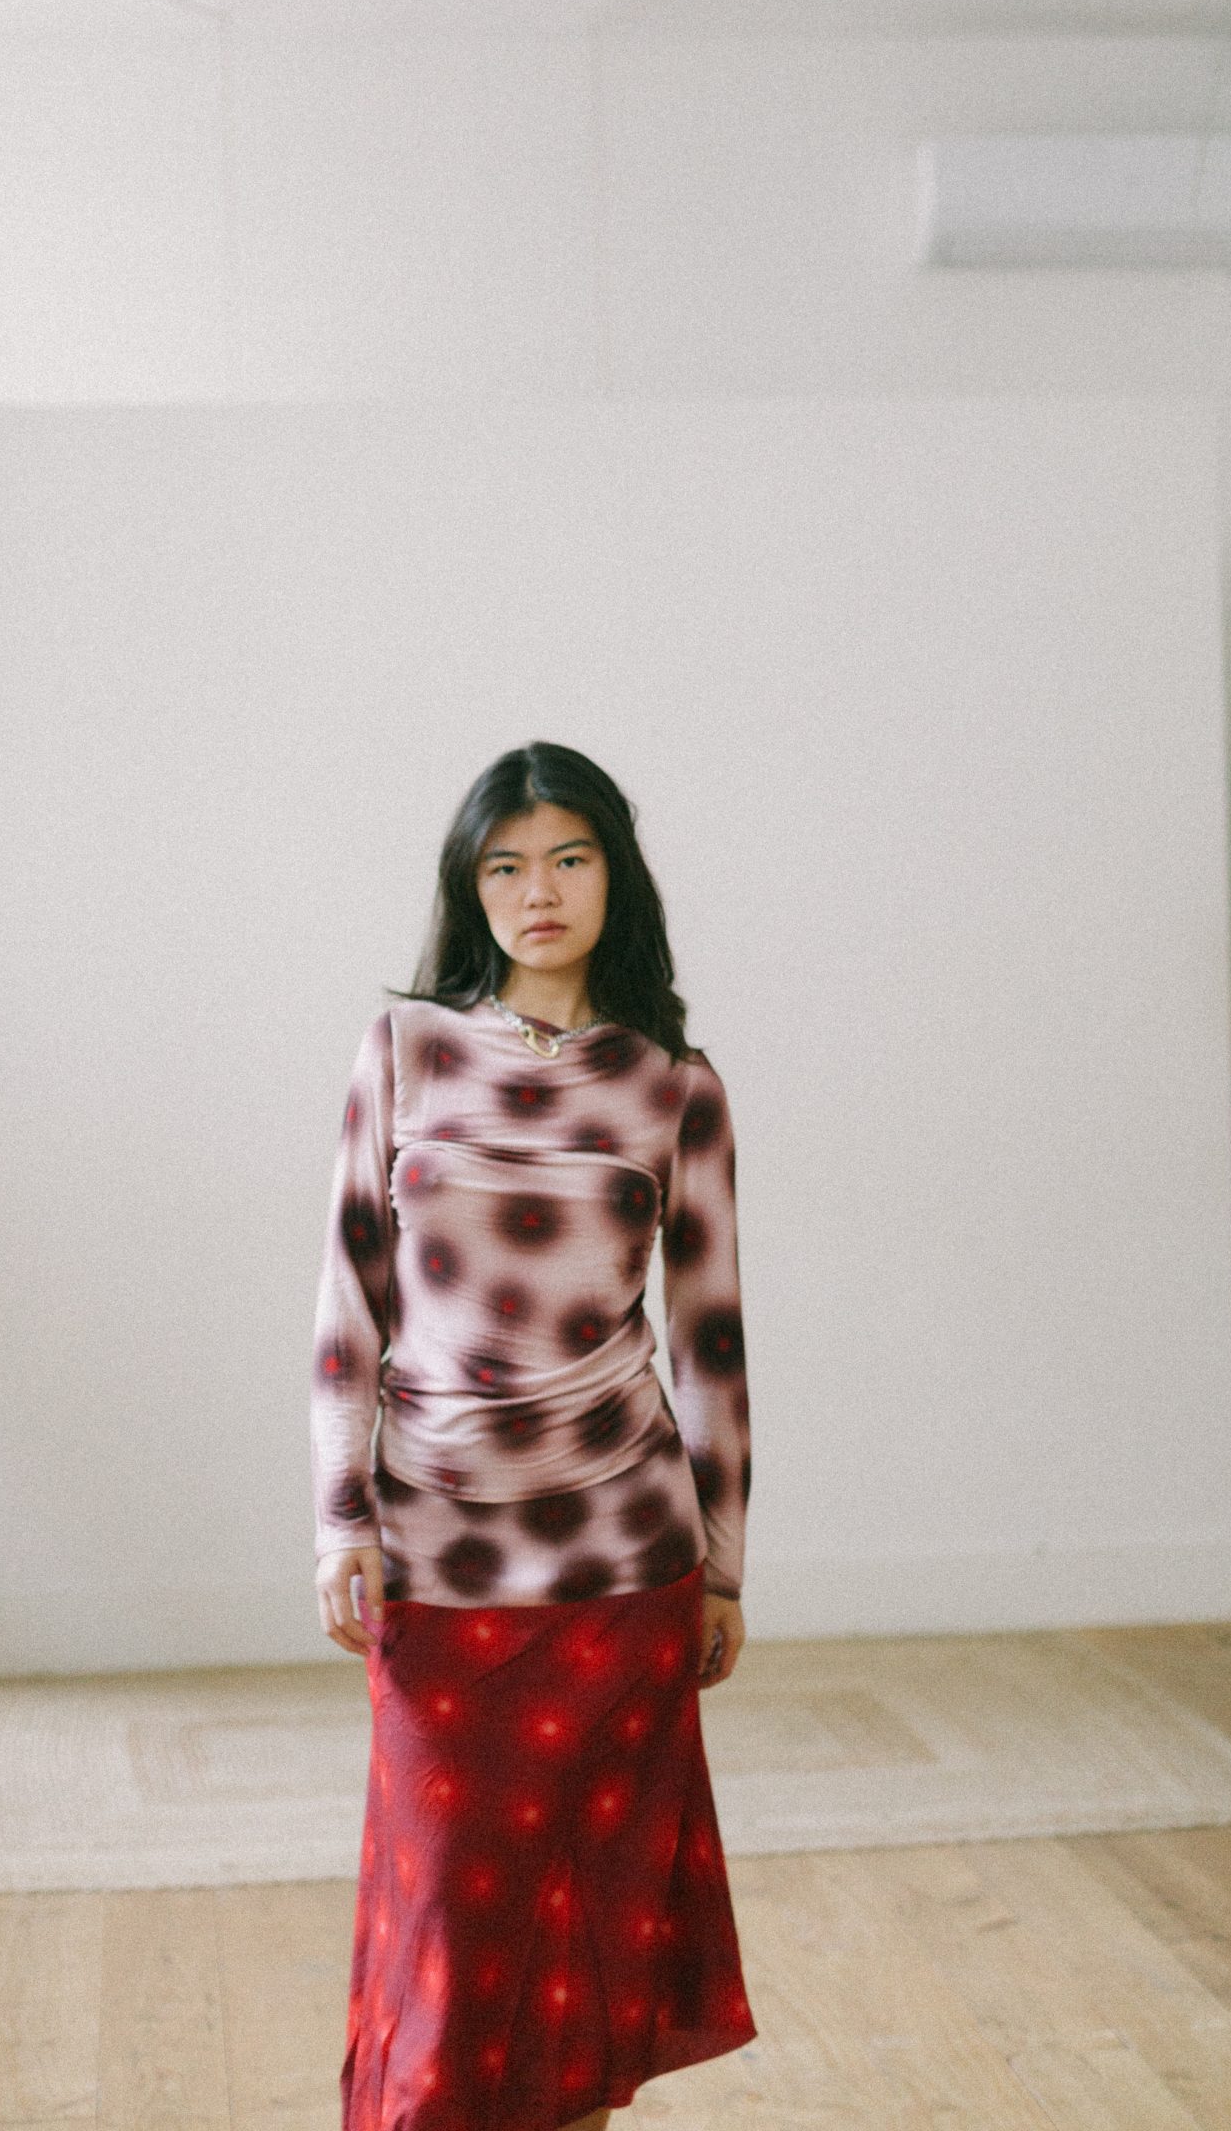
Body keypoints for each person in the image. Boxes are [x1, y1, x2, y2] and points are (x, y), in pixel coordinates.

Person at [310, 739, 757, 2131]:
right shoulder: (403, 1053)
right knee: (449, 1925)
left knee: (591, 1937)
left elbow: (711, 1339)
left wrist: (725, 1566)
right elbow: (348, 1305)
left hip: (624, 1565)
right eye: (504, 867)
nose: (539, 892)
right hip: (437, 1557)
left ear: (616, 874)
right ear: (470, 889)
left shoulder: (674, 1083)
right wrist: (339, 1519)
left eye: (569, 858)